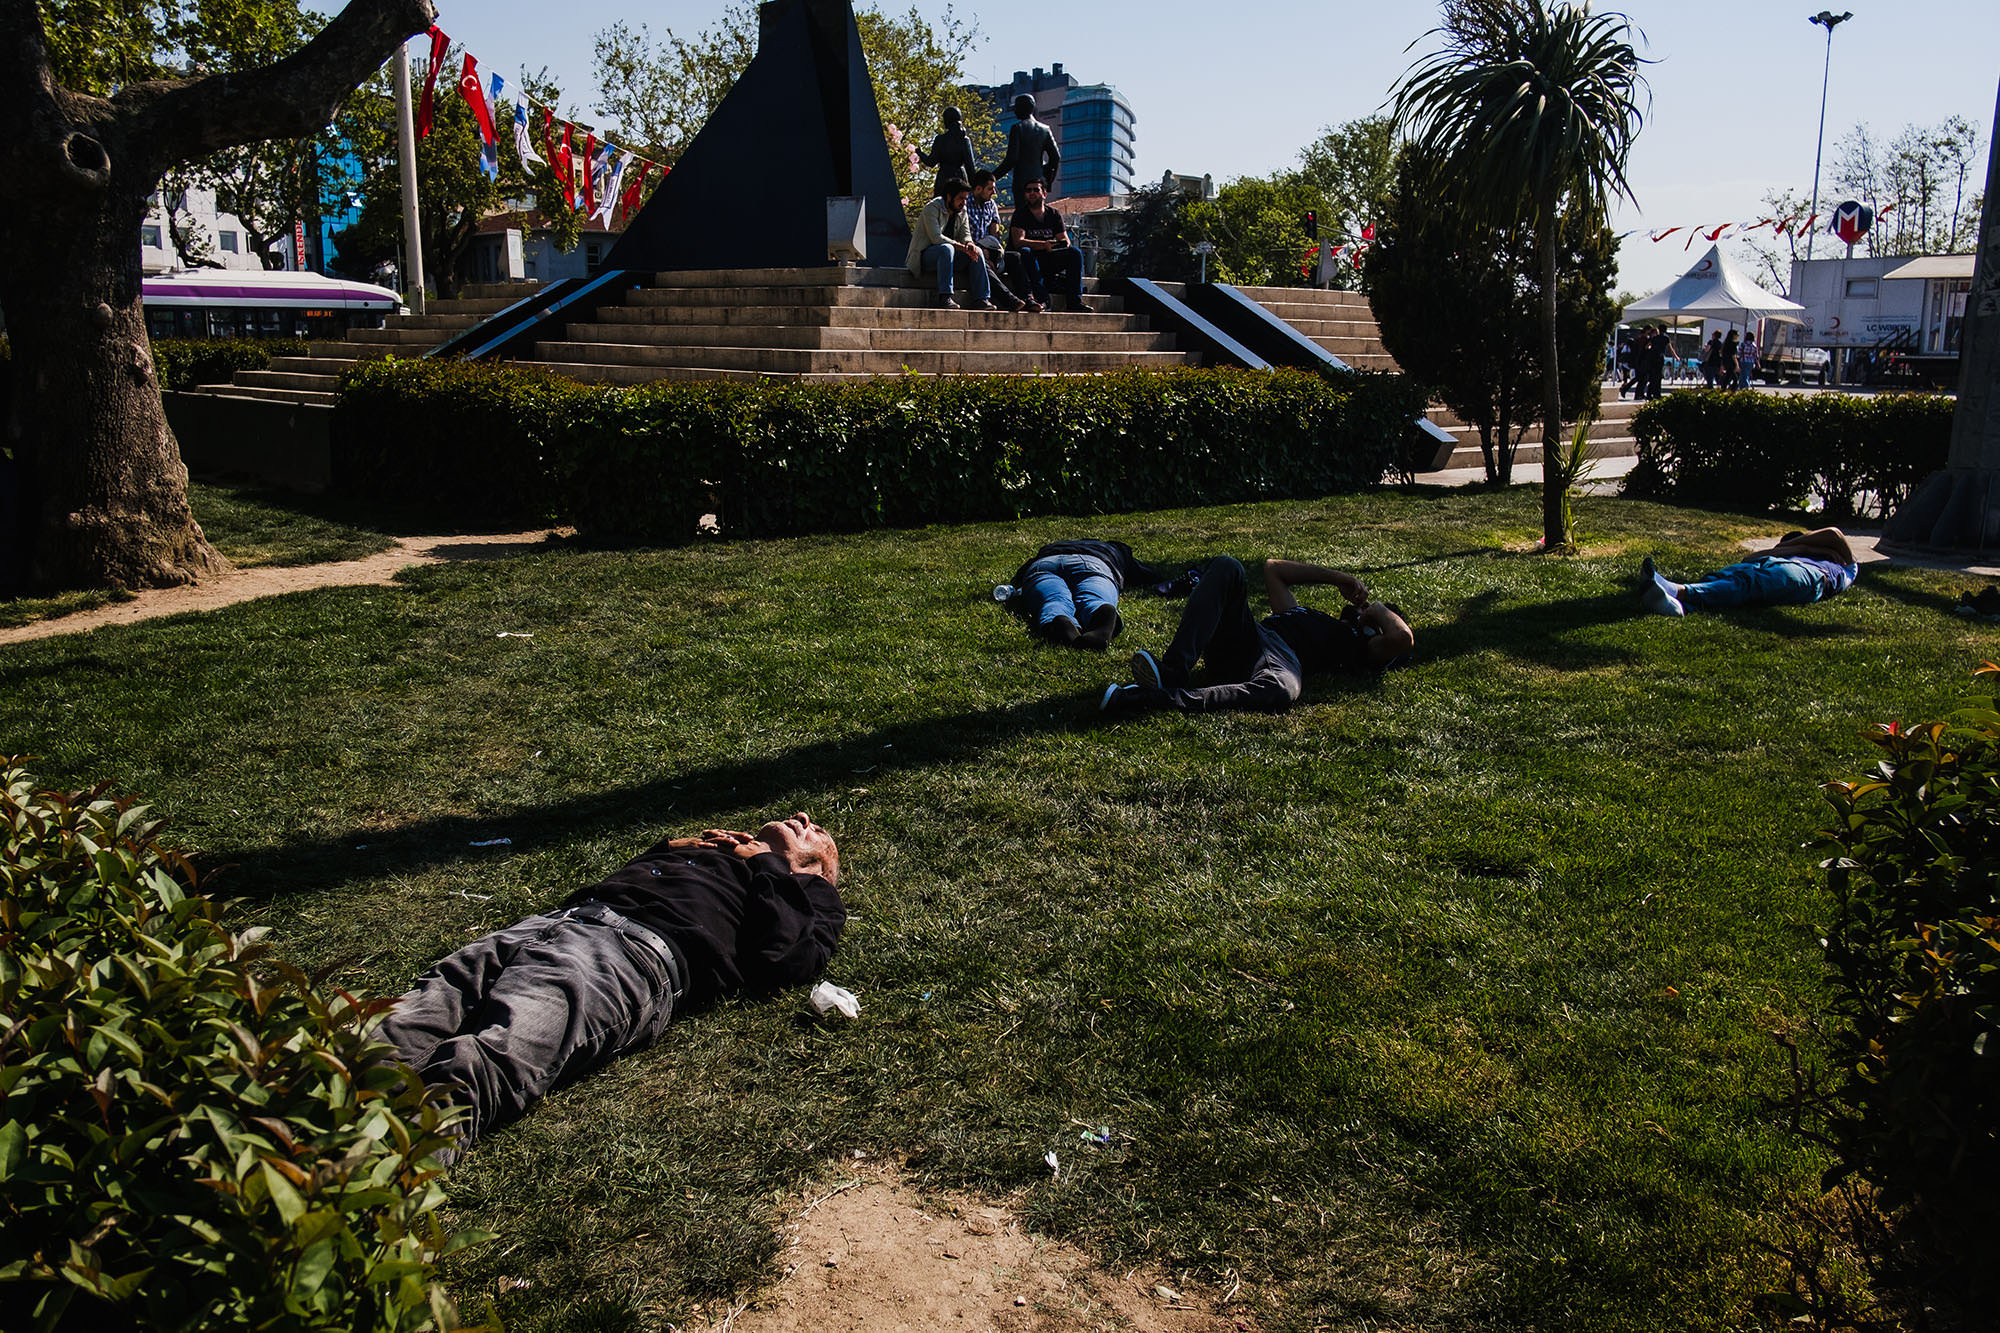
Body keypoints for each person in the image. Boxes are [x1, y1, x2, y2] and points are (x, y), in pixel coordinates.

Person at [377, 813, 845, 1162]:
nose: (803, 819)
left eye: (816, 831)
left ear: (823, 867)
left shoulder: (811, 895)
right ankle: (310, 1137)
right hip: (548, 926)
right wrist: (678, 847)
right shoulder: (726, 850)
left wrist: (772, 865)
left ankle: (353, 1209)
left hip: (627, 956)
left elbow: (789, 957)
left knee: (478, 1066)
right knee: (393, 1032)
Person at [1100, 556, 1414, 716]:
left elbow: (1402, 639)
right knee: (1227, 567)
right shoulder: (1305, 616)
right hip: (1248, 639)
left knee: (1283, 688)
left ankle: (1149, 699)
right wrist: (1338, 578)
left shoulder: (1362, 648)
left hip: (1280, 661)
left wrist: (1377, 608)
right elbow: (1273, 569)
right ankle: (1172, 672)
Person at [998, 538, 1188, 651]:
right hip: (1094, 563)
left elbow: (1021, 575)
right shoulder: (1114, 549)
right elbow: (1148, 574)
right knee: (1093, 597)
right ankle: (1101, 612)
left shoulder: (1049, 548)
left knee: (1052, 599)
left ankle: (1059, 619)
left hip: (1045, 564)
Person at [1638, 527, 1859, 616]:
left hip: (1807, 574)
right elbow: (1749, 558)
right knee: (1728, 576)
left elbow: (1834, 534)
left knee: (1748, 585)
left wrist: (1804, 547)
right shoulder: (1789, 553)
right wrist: (1791, 549)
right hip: (1773, 563)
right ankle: (1676, 605)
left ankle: (1677, 591)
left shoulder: (1844, 565)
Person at [906, 175, 992, 310]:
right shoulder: (932, 208)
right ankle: (945, 297)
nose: (964, 202)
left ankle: (981, 299)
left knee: (977, 251)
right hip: (924, 256)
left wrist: (969, 244)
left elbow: (966, 234)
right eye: (960, 198)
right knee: (946, 248)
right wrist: (961, 247)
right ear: (949, 197)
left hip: (949, 257)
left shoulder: (962, 210)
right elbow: (936, 238)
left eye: (965, 199)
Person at [1008, 179, 1086, 312]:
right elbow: (1018, 241)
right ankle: (1042, 299)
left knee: (1075, 252)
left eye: (1036, 190)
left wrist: (1058, 244)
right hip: (1030, 260)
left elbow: (1064, 239)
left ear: (1044, 193)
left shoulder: (1054, 214)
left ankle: (1074, 301)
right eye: (1028, 190)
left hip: (1050, 257)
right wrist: (1044, 245)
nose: (1032, 193)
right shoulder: (1020, 214)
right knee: (1025, 251)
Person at [967, 169, 1038, 313]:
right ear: (978, 189)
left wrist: (994, 253)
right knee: (981, 261)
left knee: (1015, 258)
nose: (994, 192)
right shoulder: (964, 203)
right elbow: (962, 233)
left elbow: (995, 229)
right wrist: (981, 250)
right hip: (971, 249)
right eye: (990, 189)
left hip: (989, 247)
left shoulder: (991, 204)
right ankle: (1009, 299)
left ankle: (1028, 298)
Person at [994, 93, 1060, 195]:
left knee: (1023, 210)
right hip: (1039, 183)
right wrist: (1047, 178)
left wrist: (992, 177)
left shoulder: (1017, 128)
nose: (1014, 110)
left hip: (1022, 183)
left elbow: (1011, 159)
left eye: (1016, 107)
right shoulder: (1045, 130)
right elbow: (1055, 157)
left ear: (1022, 108)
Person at [917, 106, 978, 198]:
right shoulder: (964, 139)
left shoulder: (940, 139)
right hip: (961, 178)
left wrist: (920, 153)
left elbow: (931, 162)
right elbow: (970, 168)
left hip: (944, 179)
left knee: (942, 208)